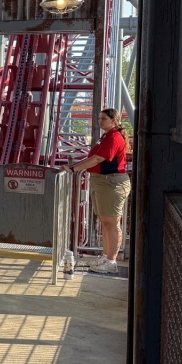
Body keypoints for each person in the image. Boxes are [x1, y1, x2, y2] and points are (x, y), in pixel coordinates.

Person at [68, 108, 132, 274]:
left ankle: (111, 261)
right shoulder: (106, 136)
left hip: (111, 182)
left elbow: (98, 159)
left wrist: (73, 168)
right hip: (104, 182)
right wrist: (74, 167)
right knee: (106, 222)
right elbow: (94, 158)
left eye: (103, 118)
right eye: (99, 118)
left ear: (113, 120)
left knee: (111, 223)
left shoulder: (114, 137)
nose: (100, 121)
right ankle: (106, 256)